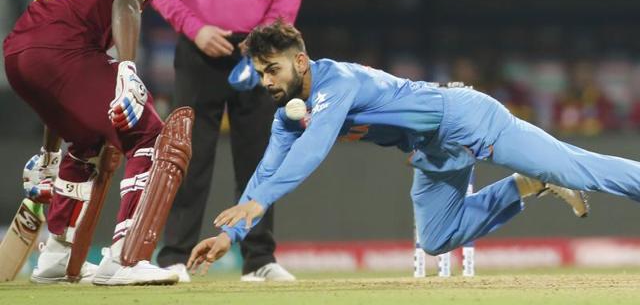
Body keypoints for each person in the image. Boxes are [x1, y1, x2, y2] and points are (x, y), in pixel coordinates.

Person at [187, 20, 640, 272]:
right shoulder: (290, 109)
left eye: (273, 70)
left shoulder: (336, 82)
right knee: (439, 238)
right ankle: (528, 183)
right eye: (261, 73)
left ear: (299, 61)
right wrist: (231, 234)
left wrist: (260, 201)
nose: (267, 81)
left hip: (466, 118)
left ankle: (554, 174)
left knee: (581, 169)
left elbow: (312, 152)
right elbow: (268, 169)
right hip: (433, 150)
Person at [3, 0, 196, 285]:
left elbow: (62, 90)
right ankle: (126, 257)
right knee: (151, 135)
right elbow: (125, 1)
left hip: (19, 56)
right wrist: (127, 69)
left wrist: (48, 154)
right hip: (61, 53)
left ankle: (56, 257)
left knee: (87, 141)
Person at [152, 0, 302, 282]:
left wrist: (266, 38)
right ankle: (174, 258)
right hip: (201, 51)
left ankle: (259, 261)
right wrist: (196, 30)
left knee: (260, 159)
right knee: (188, 157)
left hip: (258, 56)